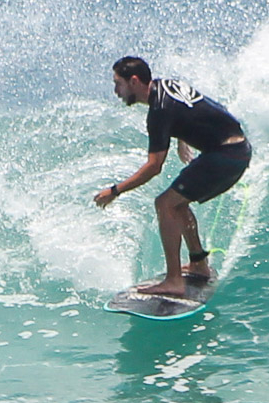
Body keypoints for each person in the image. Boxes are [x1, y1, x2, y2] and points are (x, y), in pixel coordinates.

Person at [94, 56, 251, 297]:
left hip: (226, 156)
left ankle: (174, 280)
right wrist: (182, 139)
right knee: (177, 203)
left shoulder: (158, 111)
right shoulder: (166, 85)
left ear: (134, 81)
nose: (116, 91)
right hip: (233, 149)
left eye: (118, 84)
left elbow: (154, 166)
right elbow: (194, 109)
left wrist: (115, 191)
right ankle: (199, 264)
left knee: (164, 203)